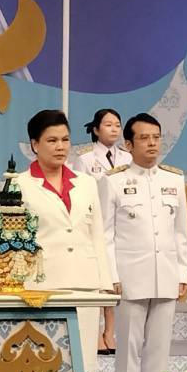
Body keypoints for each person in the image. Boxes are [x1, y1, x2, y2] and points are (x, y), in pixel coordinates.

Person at [101, 114, 187, 372]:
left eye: (156, 137)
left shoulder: (174, 179)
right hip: (130, 276)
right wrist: (111, 275)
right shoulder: (113, 181)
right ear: (128, 144)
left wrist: (183, 273)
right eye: (144, 138)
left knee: (159, 347)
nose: (152, 143)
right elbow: (105, 234)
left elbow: (181, 232)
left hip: (166, 273)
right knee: (128, 346)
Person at [18, 109, 115, 361]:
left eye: (65, 139)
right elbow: (16, 243)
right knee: (44, 361)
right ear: (35, 145)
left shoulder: (86, 183)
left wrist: (104, 283)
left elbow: (97, 234)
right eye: (52, 140)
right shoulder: (19, 185)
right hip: (41, 287)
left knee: (84, 361)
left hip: (85, 284)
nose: (60, 147)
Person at [73, 108, 125, 354]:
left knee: (114, 281)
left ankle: (110, 332)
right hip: (93, 226)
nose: (114, 129)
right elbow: (78, 193)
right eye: (108, 124)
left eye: (117, 125)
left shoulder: (127, 157)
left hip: (119, 227)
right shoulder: (85, 159)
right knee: (98, 281)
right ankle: (95, 333)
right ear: (96, 129)